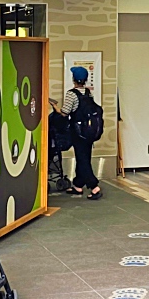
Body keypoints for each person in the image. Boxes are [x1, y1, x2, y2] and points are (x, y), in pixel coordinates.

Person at [50, 66, 102, 199]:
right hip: (89, 132)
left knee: (82, 159)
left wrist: (55, 107)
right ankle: (78, 185)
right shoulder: (87, 93)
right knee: (84, 157)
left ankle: (94, 187)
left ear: (73, 79)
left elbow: (65, 112)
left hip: (78, 132)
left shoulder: (71, 94)